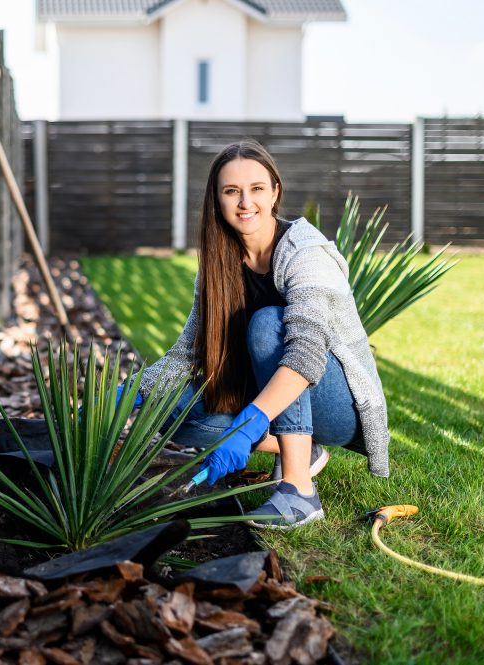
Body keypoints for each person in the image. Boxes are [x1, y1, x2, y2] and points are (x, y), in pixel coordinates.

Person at [136, 139, 389, 530]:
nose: (244, 203)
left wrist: (249, 423)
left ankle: (300, 493)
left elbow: (306, 355)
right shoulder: (219, 265)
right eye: (231, 191)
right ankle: (299, 451)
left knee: (269, 322)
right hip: (274, 396)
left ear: (275, 193)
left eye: (256, 189)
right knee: (169, 407)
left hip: (338, 405)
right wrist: (130, 393)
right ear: (217, 200)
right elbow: (188, 353)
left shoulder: (306, 253)